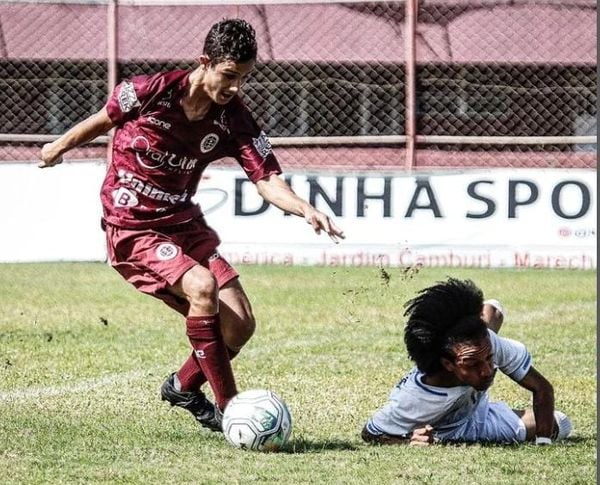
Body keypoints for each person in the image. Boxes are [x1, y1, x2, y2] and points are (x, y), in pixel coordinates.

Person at [39, 18, 344, 432]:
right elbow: (101, 120)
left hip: (183, 221)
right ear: (205, 62)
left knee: (240, 323)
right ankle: (231, 409)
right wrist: (57, 147)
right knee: (202, 286)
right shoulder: (151, 90)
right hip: (132, 224)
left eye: (244, 78)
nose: (236, 87)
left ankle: (182, 386)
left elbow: (268, 180)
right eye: (230, 75)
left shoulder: (233, 118)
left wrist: (305, 208)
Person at [361, 278, 572, 446]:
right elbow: (371, 432)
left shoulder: (488, 345)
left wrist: (543, 442)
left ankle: (487, 313)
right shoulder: (415, 400)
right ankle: (487, 312)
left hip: (475, 409)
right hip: (449, 430)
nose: (487, 371)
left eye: (489, 360)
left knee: (560, 424)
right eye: (472, 364)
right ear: (448, 364)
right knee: (560, 422)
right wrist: (409, 442)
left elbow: (542, 387)